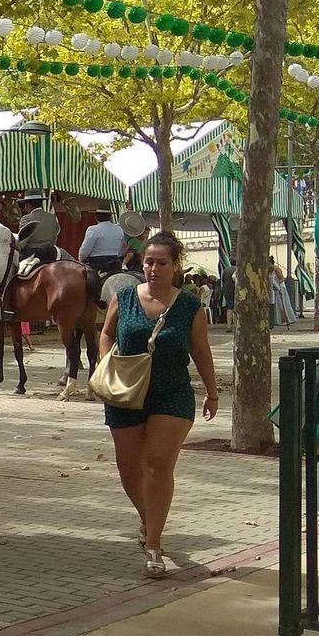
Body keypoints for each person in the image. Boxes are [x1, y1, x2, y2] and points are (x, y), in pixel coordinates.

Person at [100, 231, 217, 578]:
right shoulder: (122, 297)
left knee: (158, 464)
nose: (153, 268)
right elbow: (107, 332)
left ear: (175, 266)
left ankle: (153, 544)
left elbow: (200, 351)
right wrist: (106, 363)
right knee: (129, 470)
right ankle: (148, 516)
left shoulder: (190, 308)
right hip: (126, 392)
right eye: (148, 261)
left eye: (161, 262)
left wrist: (212, 391)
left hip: (172, 393)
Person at [15, 191, 61, 267]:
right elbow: (54, 238)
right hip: (50, 255)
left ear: (28, 204)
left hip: (30, 255)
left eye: (25, 204)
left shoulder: (26, 218)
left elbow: (22, 242)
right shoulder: (52, 217)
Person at [77, 207, 126, 275]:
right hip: (115, 261)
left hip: (97, 263)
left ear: (96, 217)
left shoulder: (93, 229)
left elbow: (85, 249)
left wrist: (81, 259)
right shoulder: (119, 229)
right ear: (110, 217)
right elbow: (121, 249)